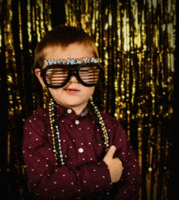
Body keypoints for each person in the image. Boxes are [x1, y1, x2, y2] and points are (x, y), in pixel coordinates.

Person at [22, 25, 141, 200]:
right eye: (58, 71)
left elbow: (131, 179)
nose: (73, 80)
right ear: (42, 78)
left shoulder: (111, 126)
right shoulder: (37, 126)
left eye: (84, 70)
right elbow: (43, 187)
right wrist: (104, 174)